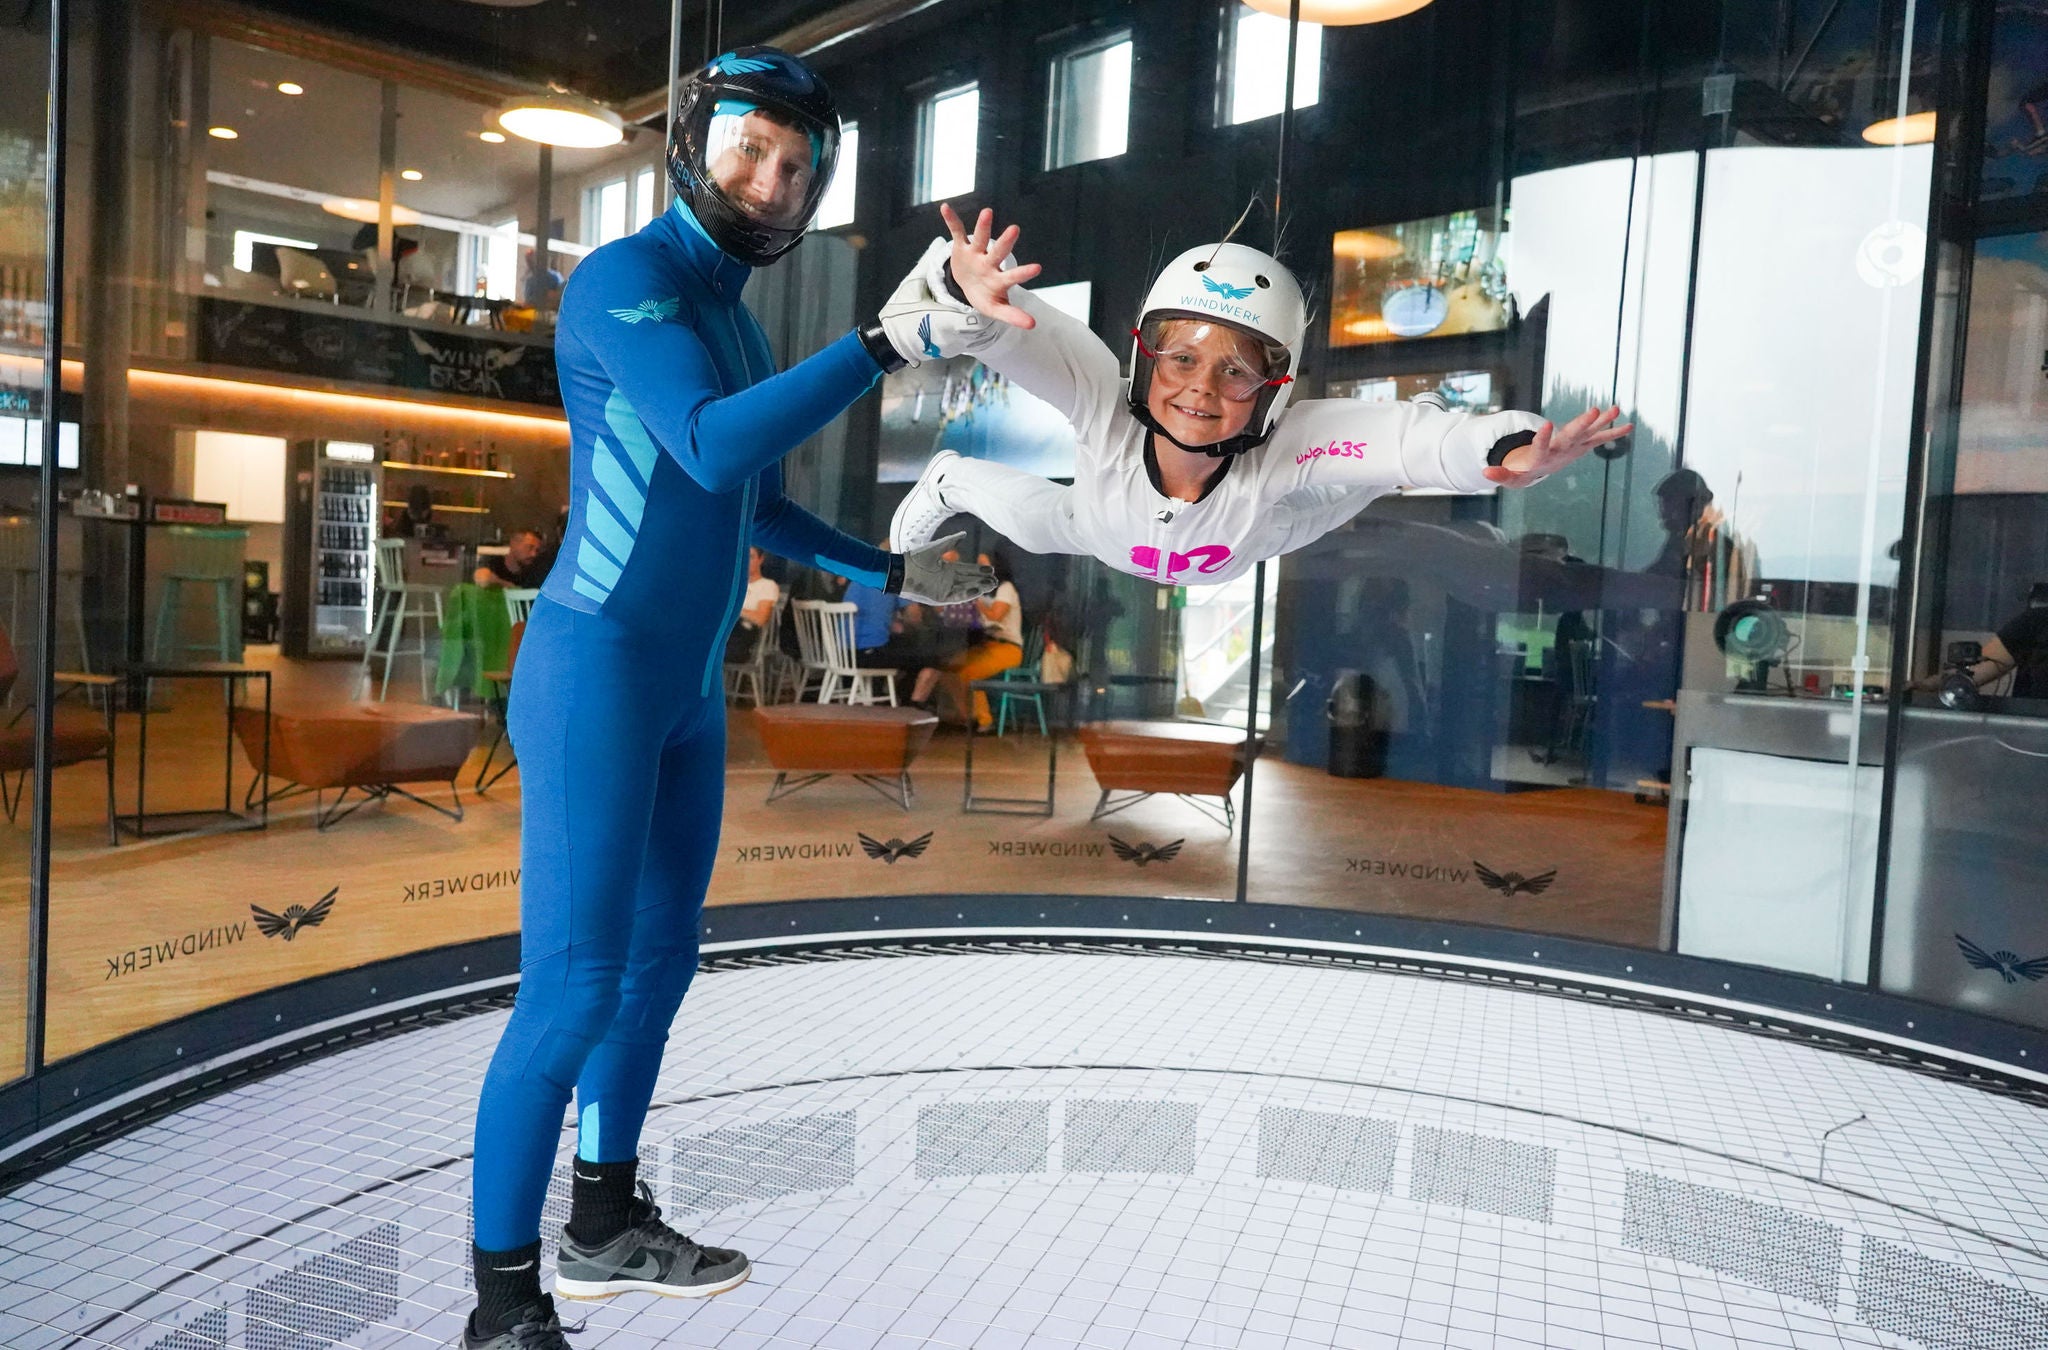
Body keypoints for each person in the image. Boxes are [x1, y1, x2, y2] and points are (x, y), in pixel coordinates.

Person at [463, 47, 990, 1350]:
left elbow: (747, 493)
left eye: (798, 166)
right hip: (597, 677)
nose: (772, 179)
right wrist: (879, 342)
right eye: (753, 147)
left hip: (687, 689)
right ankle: (501, 1307)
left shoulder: (735, 313)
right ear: (696, 143)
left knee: (659, 961)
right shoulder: (623, 281)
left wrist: (888, 564)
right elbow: (705, 440)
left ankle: (603, 1219)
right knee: (574, 990)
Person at [885, 205, 1632, 582]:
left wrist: (1505, 448)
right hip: (1098, 523)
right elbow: (1028, 337)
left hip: (1255, 533)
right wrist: (965, 297)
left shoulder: (1286, 447)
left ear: (1272, 389)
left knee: (1371, 475)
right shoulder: (1102, 408)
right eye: (1181, 358)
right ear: (1145, 357)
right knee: (1042, 524)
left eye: (1236, 371)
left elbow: (1415, 436)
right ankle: (949, 476)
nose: (1201, 389)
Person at [913, 549, 1023, 727]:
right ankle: (965, 718)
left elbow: (995, 616)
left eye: (984, 566)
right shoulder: (983, 589)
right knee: (949, 670)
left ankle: (984, 720)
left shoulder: (1005, 588)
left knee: (968, 673)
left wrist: (976, 601)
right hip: (986, 644)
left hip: (1007, 647)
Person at [724, 546, 779, 664]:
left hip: (744, 638)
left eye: (750, 557)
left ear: (760, 559)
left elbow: (761, 619)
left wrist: (735, 610)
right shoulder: (733, 585)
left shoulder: (767, 585)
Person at [474, 528, 553, 589]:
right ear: (513, 544)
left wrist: (498, 582)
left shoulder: (536, 571)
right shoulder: (494, 565)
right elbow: (482, 578)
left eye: (537, 550)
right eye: (529, 547)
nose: (534, 554)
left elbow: (526, 593)